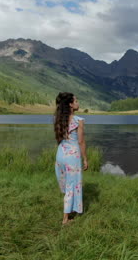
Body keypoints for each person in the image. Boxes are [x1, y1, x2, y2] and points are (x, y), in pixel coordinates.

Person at [54, 92, 88, 225]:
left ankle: (70, 210)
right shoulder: (78, 120)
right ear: (70, 105)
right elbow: (81, 142)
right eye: (76, 101)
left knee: (67, 184)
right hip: (72, 157)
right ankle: (65, 220)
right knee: (72, 185)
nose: (78, 103)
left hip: (60, 154)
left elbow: (60, 139)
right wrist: (85, 158)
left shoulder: (59, 119)